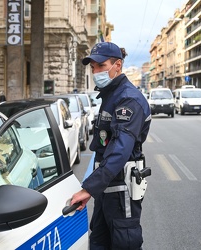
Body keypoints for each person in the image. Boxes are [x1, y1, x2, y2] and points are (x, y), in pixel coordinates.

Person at [70, 42, 152, 250]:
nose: (96, 71)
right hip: (106, 188)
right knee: (98, 240)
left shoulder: (128, 99)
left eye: (101, 65)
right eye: (93, 67)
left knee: (124, 243)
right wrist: (94, 188)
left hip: (121, 189)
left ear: (118, 65)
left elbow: (119, 151)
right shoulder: (111, 95)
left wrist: (88, 188)